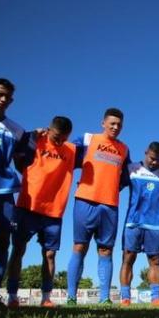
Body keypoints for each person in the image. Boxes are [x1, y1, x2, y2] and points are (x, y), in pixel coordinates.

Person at [5, 117, 76, 308]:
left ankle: (46, 297)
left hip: (54, 211)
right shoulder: (35, 140)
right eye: (56, 137)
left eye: (64, 138)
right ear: (48, 129)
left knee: (50, 254)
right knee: (18, 249)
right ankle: (12, 296)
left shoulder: (72, 149)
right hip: (28, 205)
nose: (60, 142)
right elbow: (16, 155)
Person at [66, 108, 131, 305]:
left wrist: (110, 189)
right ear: (103, 123)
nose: (115, 127)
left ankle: (104, 298)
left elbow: (126, 178)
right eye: (112, 123)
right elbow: (62, 151)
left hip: (110, 205)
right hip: (85, 201)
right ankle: (71, 297)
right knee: (79, 246)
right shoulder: (87, 139)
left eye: (119, 124)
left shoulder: (124, 149)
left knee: (106, 251)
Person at [119, 142, 159, 307]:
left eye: (157, 160)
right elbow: (117, 186)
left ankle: (155, 298)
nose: (154, 162)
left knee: (155, 261)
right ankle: (125, 298)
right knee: (128, 258)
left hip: (156, 225)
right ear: (145, 152)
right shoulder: (132, 169)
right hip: (134, 222)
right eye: (152, 158)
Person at [0, 78, 26, 306]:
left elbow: (22, 161)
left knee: (1, 243)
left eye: (7, 97)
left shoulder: (17, 130)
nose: (3, 100)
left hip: (4, 192)